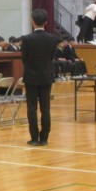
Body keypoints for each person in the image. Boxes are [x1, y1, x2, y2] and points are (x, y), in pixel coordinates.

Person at [20, 8, 59, 146]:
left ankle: (34, 137)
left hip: (31, 76)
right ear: (46, 22)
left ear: (33, 21)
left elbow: (24, 58)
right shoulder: (52, 39)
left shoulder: (26, 39)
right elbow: (51, 57)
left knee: (32, 108)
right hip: (46, 76)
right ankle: (44, 138)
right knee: (45, 108)